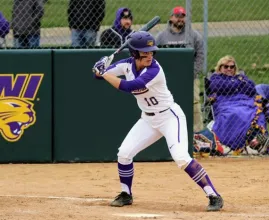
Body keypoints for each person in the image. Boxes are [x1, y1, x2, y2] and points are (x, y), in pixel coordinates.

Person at [93, 31, 223, 211]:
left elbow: (130, 86)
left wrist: (104, 73)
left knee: (181, 158)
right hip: (147, 119)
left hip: (169, 117)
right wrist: (100, 66)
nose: (149, 55)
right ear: (134, 54)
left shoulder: (154, 70)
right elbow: (98, 75)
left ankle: (213, 195)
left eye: (151, 51)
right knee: (124, 153)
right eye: (144, 52)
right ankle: (126, 194)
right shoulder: (126, 65)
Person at [193, 55, 269, 157]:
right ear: (220, 68)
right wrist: (239, 84)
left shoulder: (240, 77)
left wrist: (234, 84)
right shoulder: (216, 78)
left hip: (244, 102)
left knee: (257, 111)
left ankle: (257, 139)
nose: (229, 69)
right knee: (234, 113)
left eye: (232, 67)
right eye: (226, 66)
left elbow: (251, 87)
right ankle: (245, 142)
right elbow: (219, 87)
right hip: (226, 104)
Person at [156, 6, 204, 133]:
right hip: (167, 78)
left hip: (190, 77)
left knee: (194, 104)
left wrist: (192, 73)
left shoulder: (194, 36)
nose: (180, 19)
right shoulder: (161, 37)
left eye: (183, 16)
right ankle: (166, 130)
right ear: (171, 18)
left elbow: (200, 56)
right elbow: (156, 57)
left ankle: (197, 133)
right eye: (177, 16)